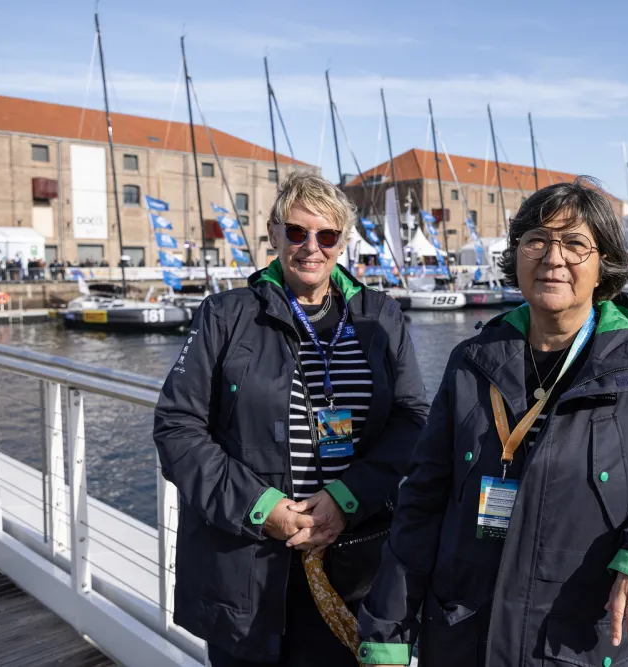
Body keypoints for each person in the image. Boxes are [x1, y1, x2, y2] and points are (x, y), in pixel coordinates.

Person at [357, 176, 628, 667]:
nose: (553, 257)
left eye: (575, 243)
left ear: (602, 265)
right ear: (517, 255)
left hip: (577, 649)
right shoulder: (472, 361)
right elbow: (420, 504)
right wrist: (387, 635)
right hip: (462, 642)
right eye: (537, 240)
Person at [153, 172, 429, 666]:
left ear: (342, 243)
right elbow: (178, 428)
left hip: (352, 559)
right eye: (297, 232)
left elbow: (412, 420)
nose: (310, 248)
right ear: (273, 232)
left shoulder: (379, 315)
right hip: (248, 565)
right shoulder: (226, 315)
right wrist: (263, 508)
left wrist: (346, 498)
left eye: (325, 236)